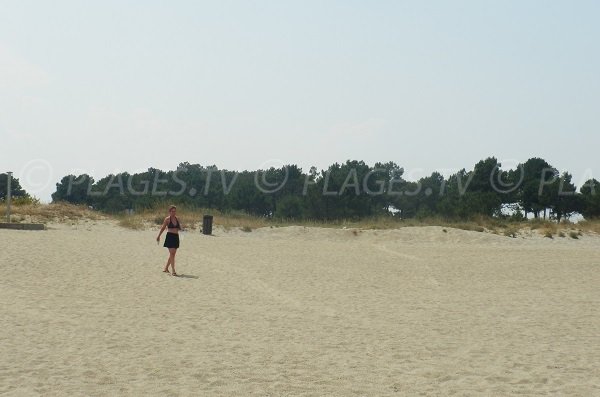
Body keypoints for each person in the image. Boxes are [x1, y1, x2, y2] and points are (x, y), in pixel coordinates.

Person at [156, 205, 183, 276]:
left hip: (176, 237)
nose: (174, 212)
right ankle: (173, 270)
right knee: (172, 253)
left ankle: (166, 268)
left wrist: (181, 228)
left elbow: (180, 228)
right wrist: (158, 236)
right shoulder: (167, 219)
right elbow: (163, 228)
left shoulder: (178, 219)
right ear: (169, 212)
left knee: (172, 254)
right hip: (170, 237)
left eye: (174, 211)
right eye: (172, 211)